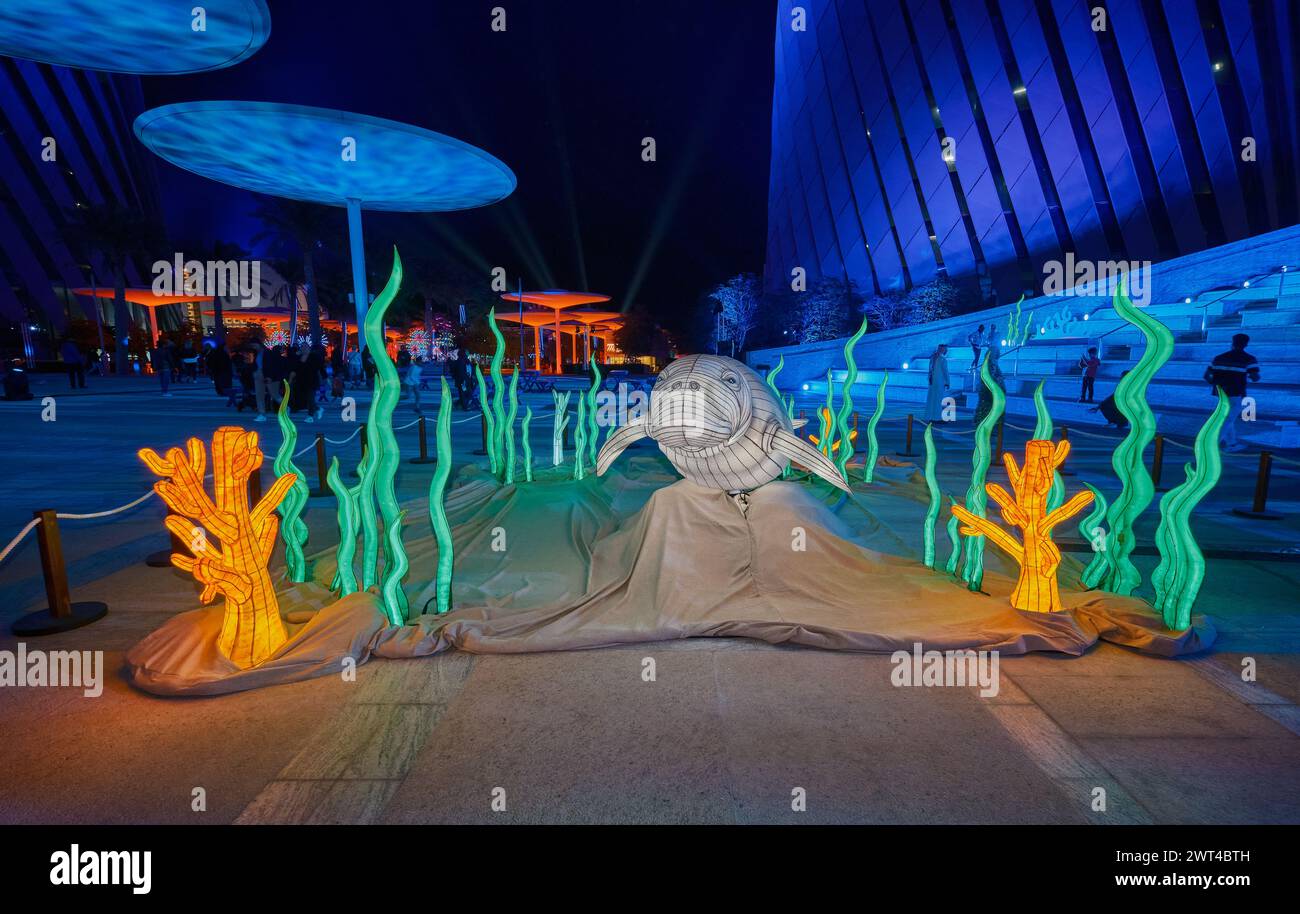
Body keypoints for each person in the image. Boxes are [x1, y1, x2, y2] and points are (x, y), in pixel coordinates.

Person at [1206, 333, 1259, 452]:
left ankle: (1232, 444)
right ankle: (1213, 443)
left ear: (1232, 342)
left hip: (1220, 392)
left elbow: (1207, 376)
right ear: (1246, 344)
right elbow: (1255, 377)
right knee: (1228, 418)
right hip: (1236, 392)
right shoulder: (1249, 359)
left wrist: (1218, 382)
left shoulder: (1218, 358)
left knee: (1228, 417)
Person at [924, 344, 949, 422]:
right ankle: (937, 418)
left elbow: (930, 370)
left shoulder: (932, 357)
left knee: (931, 399)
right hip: (939, 382)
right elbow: (945, 372)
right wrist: (947, 382)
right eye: (944, 349)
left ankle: (930, 416)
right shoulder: (942, 359)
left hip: (932, 381)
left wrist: (929, 379)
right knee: (938, 399)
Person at [206, 340, 235, 406]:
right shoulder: (223, 354)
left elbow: (211, 361)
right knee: (223, 381)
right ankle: (224, 391)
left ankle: (222, 391)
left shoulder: (217, 353)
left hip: (219, 371)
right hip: (222, 370)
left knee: (220, 381)